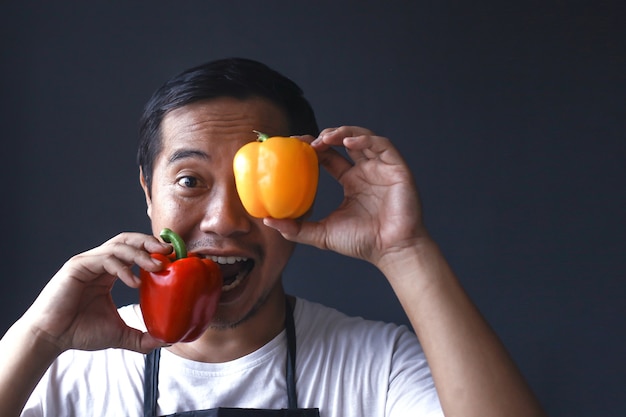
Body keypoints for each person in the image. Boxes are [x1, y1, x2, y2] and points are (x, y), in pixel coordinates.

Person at [0, 58, 546, 417]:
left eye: (252, 185)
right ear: (148, 191)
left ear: (303, 195)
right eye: (190, 181)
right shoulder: (63, 365)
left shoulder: (375, 368)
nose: (223, 220)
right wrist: (38, 337)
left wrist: (406, 251)